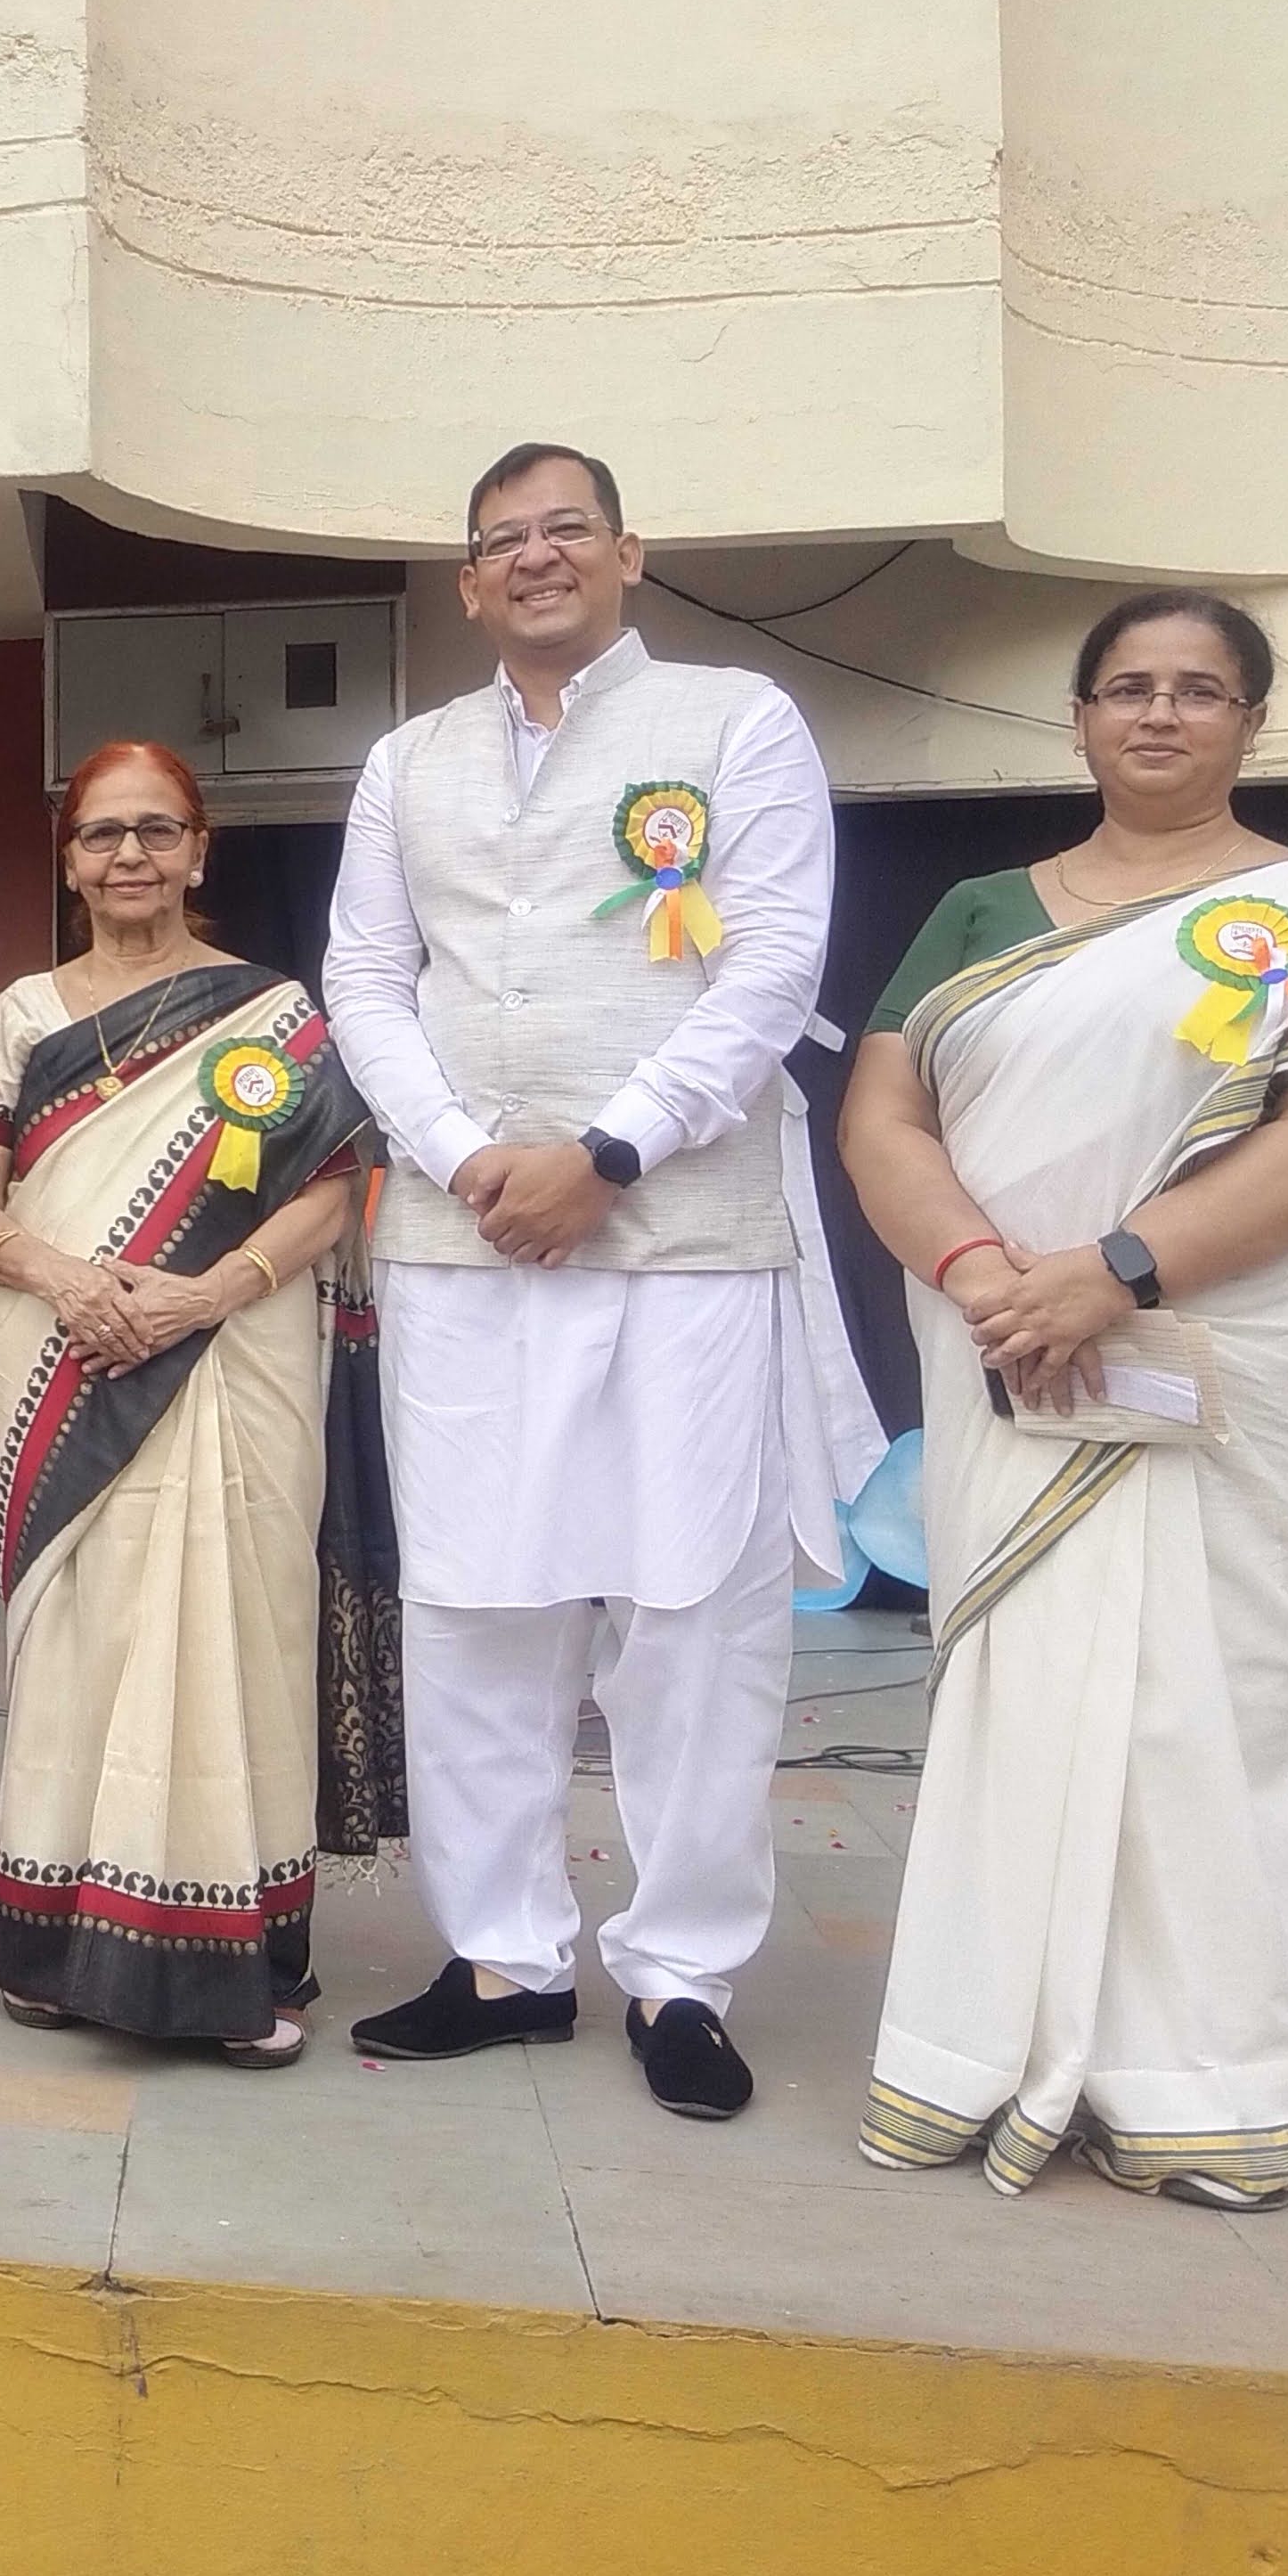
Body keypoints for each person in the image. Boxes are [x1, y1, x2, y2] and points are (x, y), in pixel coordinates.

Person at [837, 591, 1288, 2206]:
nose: (1157, 714)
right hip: (1008, 1353)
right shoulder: (971, 912)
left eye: (1197, 691)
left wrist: (1115, 1271)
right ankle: (981, 2054)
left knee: (1238, 1714)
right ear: (1080, 718)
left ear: (1248, 722)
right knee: (1022, 1698)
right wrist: (985, 1276)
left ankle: (1217, 2087)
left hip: (1252, 1368)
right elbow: (881, 1117)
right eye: (1126, 688)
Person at [321, 444, 883, 2119]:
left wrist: (610, 1152)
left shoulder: (734, 721)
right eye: (501, 539)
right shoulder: (406, 760)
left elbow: (771, 967)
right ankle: (503, 1960)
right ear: (466, 583)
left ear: (629, 553)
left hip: (680, 1238)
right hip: (462, 1238)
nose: (535, 555)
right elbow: (363, 975)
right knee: (472, 1605)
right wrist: (457, 1151)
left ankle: (681, 1974)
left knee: (690, 1613)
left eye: (565, 527)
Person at [0, 741, 366, 2058]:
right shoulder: (22, 1015)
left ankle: (237, 1958)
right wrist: (69, 1283)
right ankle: (53, 1941)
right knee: (83, 1640)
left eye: (157, 831)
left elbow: (332, 1192)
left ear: (199, 850)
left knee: (236, 1636)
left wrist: (204, 1295)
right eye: (101, 834)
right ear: (68, 862)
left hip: (227, 1358)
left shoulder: (272, 1014)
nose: (129, 855)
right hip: (60, 1359)